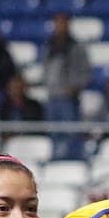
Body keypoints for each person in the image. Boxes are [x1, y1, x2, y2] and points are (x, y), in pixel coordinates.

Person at [40, 12, 91, 154]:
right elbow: (45, 68)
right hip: (52, 97)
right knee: (53, 134)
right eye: (58, 23)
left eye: (63, 23)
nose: (60, 27)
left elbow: (86, 72)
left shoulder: (77, 47)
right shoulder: (49, 46)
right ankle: (56, 163)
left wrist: (76, 86)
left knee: (71, 134)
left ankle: (71, 161)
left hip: (69, 99)